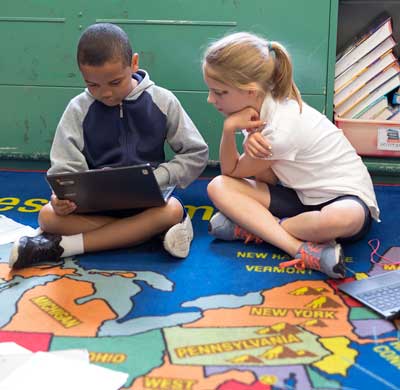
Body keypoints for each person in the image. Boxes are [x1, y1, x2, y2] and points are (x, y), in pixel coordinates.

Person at [9, 23, 208, 269]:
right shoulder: (78, 109)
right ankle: (146, 233)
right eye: (93, 85)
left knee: (172, 209)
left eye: (115, 82)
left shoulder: (162, 100)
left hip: (147, 203)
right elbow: (65, 169)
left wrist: (160, 177)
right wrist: (63, 198)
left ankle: (63, 247)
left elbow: (196, 153)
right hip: (97, 207)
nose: (105, 93)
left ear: (134, 63)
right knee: (48, 216)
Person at [202, 32, 379, 279]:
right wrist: (232, 130)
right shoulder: (258, 108)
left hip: (345, 199)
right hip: (301, 197)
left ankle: (261, 228)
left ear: (250, 91)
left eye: (219, 92)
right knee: (218, 186)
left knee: (339, 219)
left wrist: (230, 130)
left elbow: (233, 170)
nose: (211, 99)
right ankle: (298, 247)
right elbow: (261, 179)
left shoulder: (280, 127)